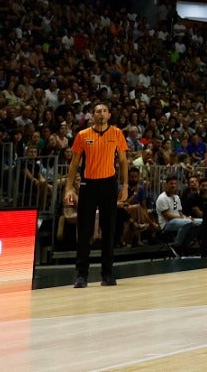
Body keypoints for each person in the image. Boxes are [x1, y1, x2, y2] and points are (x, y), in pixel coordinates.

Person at [64, 102, 128, 287]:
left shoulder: (117, 133)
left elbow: (123, 161)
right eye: (97, 111)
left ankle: (107, 274)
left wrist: (124, 186)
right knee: (84, 230)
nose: (101, 114)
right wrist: (69, 187)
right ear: (93, 115)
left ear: (109, 115)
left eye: (104, 111)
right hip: (88, 184)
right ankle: (81, 275)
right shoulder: (83, 135)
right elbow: (74, 163)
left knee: (109, 229)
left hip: (109, 184)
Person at [156, 176, 202, 251]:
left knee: (201, 222)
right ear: (166, 184)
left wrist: (185, 217)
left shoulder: (176, 197)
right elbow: (167, 216)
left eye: (175, 184)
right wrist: (184, 219)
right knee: (188, 222)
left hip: (178, 221)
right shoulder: (162, 198)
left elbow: (180, 212)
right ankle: (176, 245)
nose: (173, 185)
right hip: (166, 224)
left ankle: (185, 244)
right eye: (171, 183)